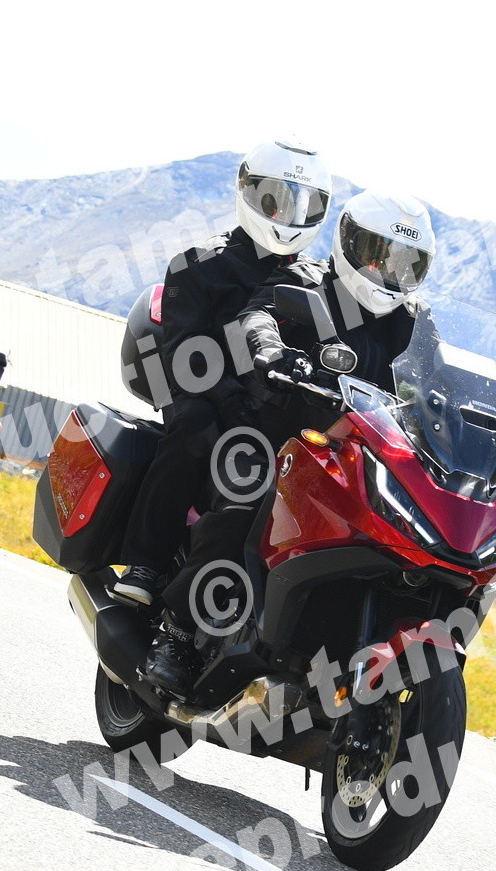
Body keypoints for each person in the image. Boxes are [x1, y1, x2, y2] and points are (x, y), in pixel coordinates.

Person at [144, 189, 435, 694]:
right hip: (282, 435)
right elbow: (257, 316)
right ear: (348, 243)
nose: (387, 271)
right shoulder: (307, 282)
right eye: (377, 254)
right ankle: (178, 632)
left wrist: (486, 410)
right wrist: (270, 349)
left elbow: (442, 373)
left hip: (362, 459)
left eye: (405, 263)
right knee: (252, 503)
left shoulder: (413, 322)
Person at [108, 141, 331, 607]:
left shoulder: (317, 281)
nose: (290, 214)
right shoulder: (199, 264)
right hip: (200, 392)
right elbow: (185, 355)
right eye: (276, 199)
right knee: (193, 429)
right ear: (248, 193)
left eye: (304, 204)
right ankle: (146, 562)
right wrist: (231, 400)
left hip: (269, 404)